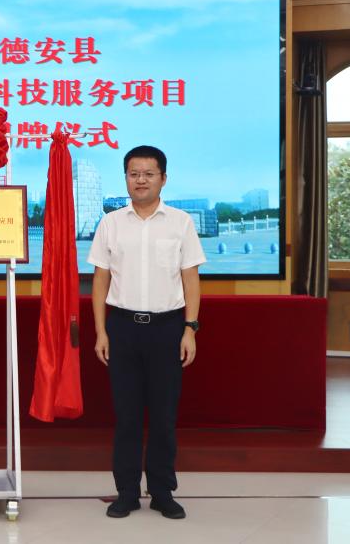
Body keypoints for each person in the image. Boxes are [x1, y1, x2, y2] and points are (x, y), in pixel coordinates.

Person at [87, 145, 205, 520]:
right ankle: (126, 492)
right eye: (134, 173)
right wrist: (100, 331)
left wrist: (190, 328)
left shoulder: (181, 223)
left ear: (163, 179)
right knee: (127, 417)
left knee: (164, 416)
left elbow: (191, 279)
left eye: (148, 174)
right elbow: (100, 279)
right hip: (122, 328)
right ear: (126, 178)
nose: (141, 180)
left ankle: (162, 491)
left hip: (168, 328)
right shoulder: (111, 223)